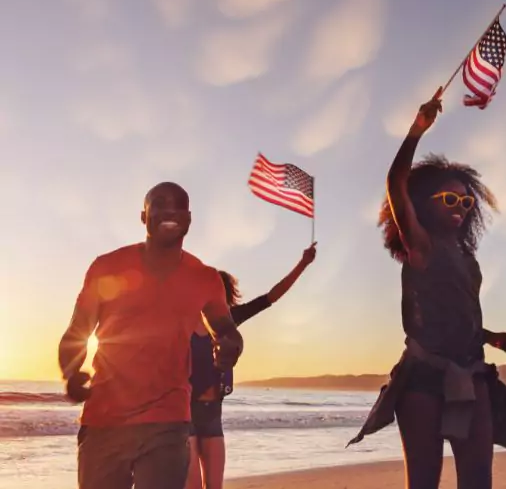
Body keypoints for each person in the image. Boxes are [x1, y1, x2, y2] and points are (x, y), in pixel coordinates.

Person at [347, 89, 506, 489]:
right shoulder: (421, 246)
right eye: (450, 198)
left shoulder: (466, 258)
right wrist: (416, 131)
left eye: (466, 203)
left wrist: (489, 336)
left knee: (478, 481)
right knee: (423, 483)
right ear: (422, 202)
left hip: (473, 374)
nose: (460, 208)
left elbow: (457, 313)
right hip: (423, 378)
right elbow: (395, 182)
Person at [58, 182, 244, 489]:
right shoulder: (107, 267)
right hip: (105, 420)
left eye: (179, 206)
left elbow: (227, 330)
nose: (170, 211)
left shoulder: (205, 278)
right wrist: (70, 372)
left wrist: (230, 347)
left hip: (168, 422)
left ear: (189, 218)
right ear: (143, 216)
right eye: (159, 204)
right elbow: (77, 332)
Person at [185, 242, 318, 489]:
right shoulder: (183, 320)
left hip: (213, 415)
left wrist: (302, 264)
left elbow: (270, 297)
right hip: (186, 413)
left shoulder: (229, 320)